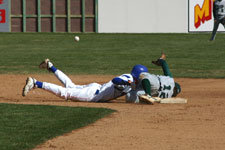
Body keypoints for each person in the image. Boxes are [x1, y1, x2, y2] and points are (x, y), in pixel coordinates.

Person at [22, 59, 133, 102]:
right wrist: (128, 83)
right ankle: (36, 83)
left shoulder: (130, 77)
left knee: (70, 86)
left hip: (95, 88)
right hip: (93, 94)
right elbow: (115, 80)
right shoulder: (129, 80)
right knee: (66, 93)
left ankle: (50, 66)